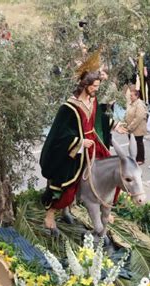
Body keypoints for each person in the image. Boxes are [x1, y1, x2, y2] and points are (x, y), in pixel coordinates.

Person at [39, 70, 126, 230]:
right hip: (76, 148)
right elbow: (61, 133)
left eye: (98, 86)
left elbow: (98, 119)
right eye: (94, 86)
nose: (96, 89)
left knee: (112, 171)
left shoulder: (92, 100)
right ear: (85, 85)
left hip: (93, 143)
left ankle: (105, 208)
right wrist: (79, 142)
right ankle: (50, 212)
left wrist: (115, 125)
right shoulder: (69, 107)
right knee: (68, 179)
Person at [124, 89, 147, 164]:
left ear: (136, 96)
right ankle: (134, 157)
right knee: (132, 143)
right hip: (131, 128)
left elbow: (138, 118)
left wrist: (130, 127)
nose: (130, 97)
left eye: (131, 95)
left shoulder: (139, 104)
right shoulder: (131, 103)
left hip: (137, 129)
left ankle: (140, 159)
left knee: (138, 143)